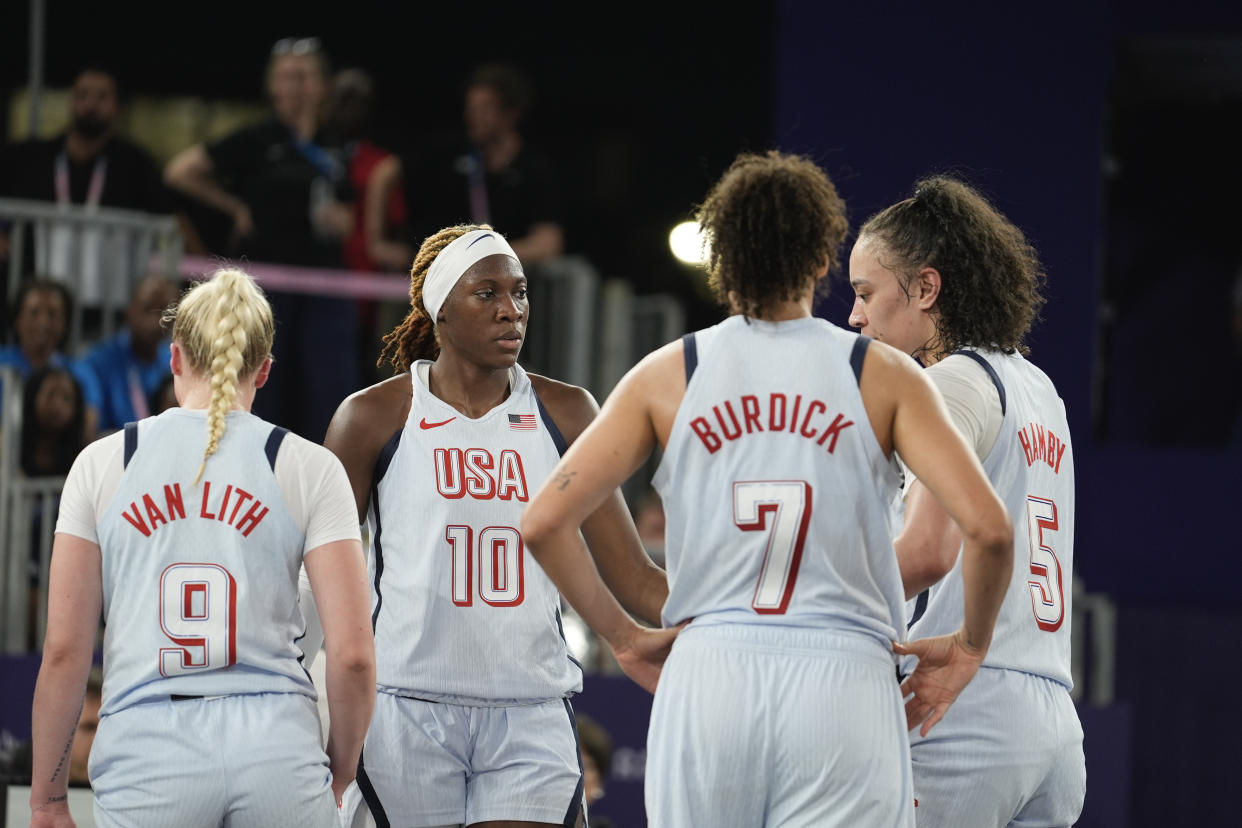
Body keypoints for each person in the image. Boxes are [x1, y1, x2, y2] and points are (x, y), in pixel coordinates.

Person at [519, 150, 1015, 828]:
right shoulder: (883, 373)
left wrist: (625, 634)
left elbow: (543, 523)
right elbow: (989, 531)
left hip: (712, 670)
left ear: (722, 260)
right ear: (822, 259)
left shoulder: (671, 371)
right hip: (842, 683)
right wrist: (970, 647)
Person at [322, 222, 670, 827]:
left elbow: (635, 576)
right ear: (440, 312)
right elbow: (319, 579)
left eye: (521, 292)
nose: (512, 310)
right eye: (487, 294)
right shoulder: (370, 417)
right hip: (405, 707)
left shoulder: (568, 411)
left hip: (529, 708)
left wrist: (743, 615)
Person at [27, 267, 376, 827]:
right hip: (276, 748)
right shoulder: (311, 467)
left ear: (174, 358)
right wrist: (339, 770)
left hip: (148, 743)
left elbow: (66, 651)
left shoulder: (102, 462)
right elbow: (355, 656)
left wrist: (47, 799)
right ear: (263, 370)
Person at [847, 175, 1086, 826]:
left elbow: (927, 551)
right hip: (1054, 720)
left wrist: (798, 593)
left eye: (866, 292)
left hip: (963, 708)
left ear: (925, 289)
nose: (854, 316)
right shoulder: (1040, 389)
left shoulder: (950, 381)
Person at [164, 36, 356, 440]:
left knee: (326, 398)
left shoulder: (336, 145)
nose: (295, 88)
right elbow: (180, 171)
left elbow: (350, 211)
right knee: (262, 392)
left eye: (304, 77)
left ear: (321, 86)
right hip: (265, 292)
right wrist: (234, 207)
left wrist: (343, 219)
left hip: (323, 290)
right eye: (286, 78)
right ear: (272, 86)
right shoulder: (255, 139)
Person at [365, 63, 565, 273]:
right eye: (471, 108)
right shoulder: (446, 152)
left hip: (492, 286)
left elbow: (548, 242)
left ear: (512, 113)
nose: (473, 117)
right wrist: (376, 243)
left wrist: (482, 257)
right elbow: (384, 173)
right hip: (425, 279)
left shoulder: (534, 169)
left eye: (484, 109)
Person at [1, 279, 101, 441]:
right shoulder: (2, 366)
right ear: (17, 319)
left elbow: (87, 429)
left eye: (53, 314)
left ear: (65, 324)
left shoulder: (81, 374)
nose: (44, 323)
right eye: (34, 313)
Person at [81, 272, 179, 433]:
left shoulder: (175, 363)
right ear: (130, 310)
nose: (156, 322)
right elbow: (89, 430)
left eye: (165, 313)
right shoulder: (97, 363)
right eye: (148, 310)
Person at [20, 366, 86, 477]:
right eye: (50, 395)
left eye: (66, 398)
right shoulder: (9, 448)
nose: (57, 406)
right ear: (32, 398)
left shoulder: (82, 456)